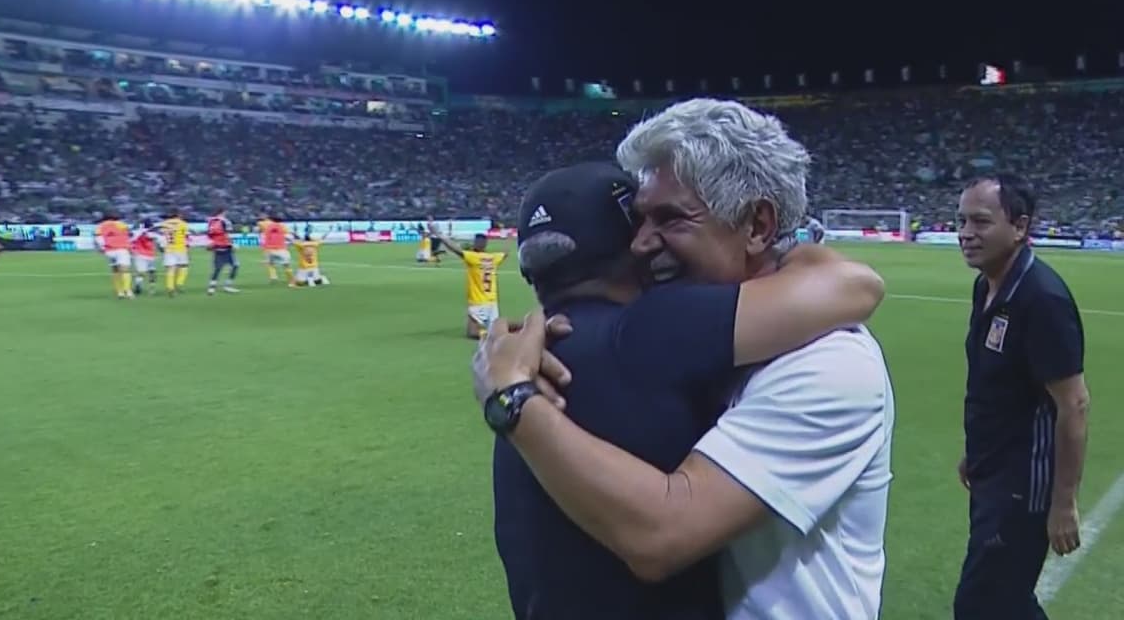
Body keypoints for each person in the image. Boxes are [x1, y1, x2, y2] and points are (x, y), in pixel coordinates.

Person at [474, 98, 895, 619]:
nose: (643, 244)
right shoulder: (678, 337)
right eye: (639, 221)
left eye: (671, 219)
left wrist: (512, 399)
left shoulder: (829, 364)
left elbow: (663, 533)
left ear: (758, 226)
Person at [953, 174, 1089, 620]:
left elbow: (1074, 404)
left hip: (1023, 487)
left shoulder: (1041, 299)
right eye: (960, 221)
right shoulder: (987, 287)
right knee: (1007, 601)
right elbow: (997, 387)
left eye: (980, 222)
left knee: (980, 604)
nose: (966, 233)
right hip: (991, 474)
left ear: (1020, 227)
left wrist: (1063, 502)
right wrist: (976, 451)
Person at [434, 230, 508, 339]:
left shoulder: (473, 257)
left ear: (477, 243)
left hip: (478, 302)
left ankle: (492, 336)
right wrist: (505, 238)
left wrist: (439, 234)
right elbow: (505, 253)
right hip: (493, 303)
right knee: (492, 327)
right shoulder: (493, 258)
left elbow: (455, 249)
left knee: (472, 333)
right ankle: (503, 331)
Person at [94, 212, 133, 299]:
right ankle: (127, 290)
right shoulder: (121, 224)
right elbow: (129, 235)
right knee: (125, 270)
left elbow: (98, 238)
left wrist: (102, 248)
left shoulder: (101, 226)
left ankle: (119, 292)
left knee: (115, 270)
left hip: (109, 251)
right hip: (122, 249)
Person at [206, 208, 240, 295]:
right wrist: (232, 244)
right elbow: (227, 234)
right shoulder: (225, 221)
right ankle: (228, 286)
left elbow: (209, 235)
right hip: (226, 246)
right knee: (235, 265)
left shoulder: (211, 221)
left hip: (216, 247)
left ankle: (211, 288)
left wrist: (212, 243)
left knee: (217, 268)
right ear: (223, 212)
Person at [257, 212, 292, 283]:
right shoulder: (283, 226)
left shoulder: (263, 224)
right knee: (286, 265)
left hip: (269, 248)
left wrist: (263, 246)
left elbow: (261, 233)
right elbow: (288, 235)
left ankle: (273, 276)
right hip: (281, 248)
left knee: (270, 263)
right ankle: (291, 280)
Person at [130, 220, 162, 296]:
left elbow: (131, 240)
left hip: (139, 255)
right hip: (149, 255)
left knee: (141, 272)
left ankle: (138, 284)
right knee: (152, 272)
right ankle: (152, 289)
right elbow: (157, 240)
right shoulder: (152, 234)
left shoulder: (137, 232)